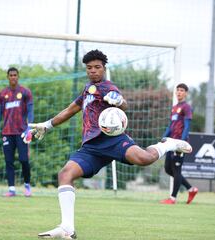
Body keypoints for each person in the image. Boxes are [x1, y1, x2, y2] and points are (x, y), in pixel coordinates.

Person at [29, 50, 192, 239]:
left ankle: (169, 144)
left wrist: (119, 101)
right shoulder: (87, 90)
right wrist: (47, 125)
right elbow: (70, 110)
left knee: (144, 158)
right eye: (89, 68)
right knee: (65, 174)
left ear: (104, 68)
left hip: (114, 140)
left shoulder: (108, 87)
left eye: (97, 67)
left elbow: (123, 104)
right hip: (91, 147)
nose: (93, 71)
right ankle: (67, 228)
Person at [0, 67, 34, 197]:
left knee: (23, 160)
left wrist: (29, 129)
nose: (13, 77)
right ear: (8, 77)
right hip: (7, 133)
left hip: (21, 132)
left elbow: (31, 112)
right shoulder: (2, 94)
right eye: (11, 75)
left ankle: (27, 185)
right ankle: (11, 189)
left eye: (15, 75)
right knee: (8, 161)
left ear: (18, 76)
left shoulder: (25, 92)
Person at [159, 83, 198, 205]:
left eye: (182, 90)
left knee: (176, 170)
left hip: (179, 144)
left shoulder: (186, 107)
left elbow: (186, 126)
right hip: (171, 142)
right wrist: (164, 137)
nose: (179, 92)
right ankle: (191, 189)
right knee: (168, 169)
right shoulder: (174, 107)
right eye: (178, 90)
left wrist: (181, 142)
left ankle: (172, 198)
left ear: (186, 93)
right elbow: (171, 126)